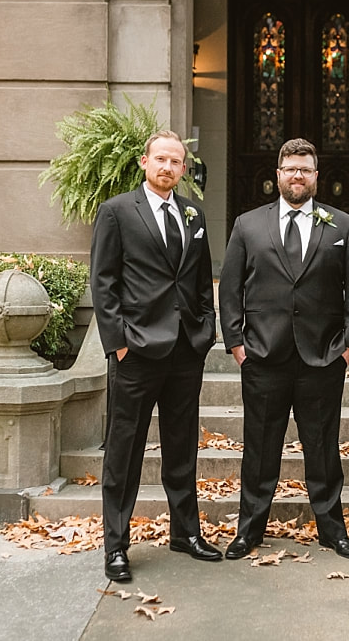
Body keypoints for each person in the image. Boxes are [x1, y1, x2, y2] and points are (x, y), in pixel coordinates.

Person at [219, 138, 349, 561]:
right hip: (263, 357)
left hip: (322, 358)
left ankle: (332, 531)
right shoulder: (248, 225)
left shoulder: (343, 226)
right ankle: (249, 531)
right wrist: (237, 344)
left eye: (305, 169)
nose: (297, 176)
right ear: (278, 174)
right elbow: (230, 289)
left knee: (323, 450)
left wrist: (348, 348)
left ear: (316, 177)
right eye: (290, 169)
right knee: (259, 450)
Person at [90, 130, 221, 583]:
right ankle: (116, 545)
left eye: (176, 162)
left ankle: (185, 533)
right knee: (124, 451)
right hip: (137, 351)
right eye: (160, 159)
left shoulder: (193, 213)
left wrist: (205, 331)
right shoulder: (117, 212)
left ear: (184, 169)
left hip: (185, 349)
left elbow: (202, 280)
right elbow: (103, 283)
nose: (167, 167)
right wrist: (119, 342)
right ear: (145, 162)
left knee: (182, 446)